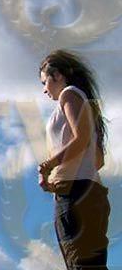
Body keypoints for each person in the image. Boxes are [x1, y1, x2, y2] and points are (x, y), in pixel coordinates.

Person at [38, 49, 110, 270]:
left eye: (44, 82)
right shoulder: (85, 104)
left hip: (75, 194)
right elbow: (97, 161)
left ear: (58, 75)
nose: (44, 90)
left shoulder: (69, 94)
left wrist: (48, 166)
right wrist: (56, 177)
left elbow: (81, 138)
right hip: (85, 193)